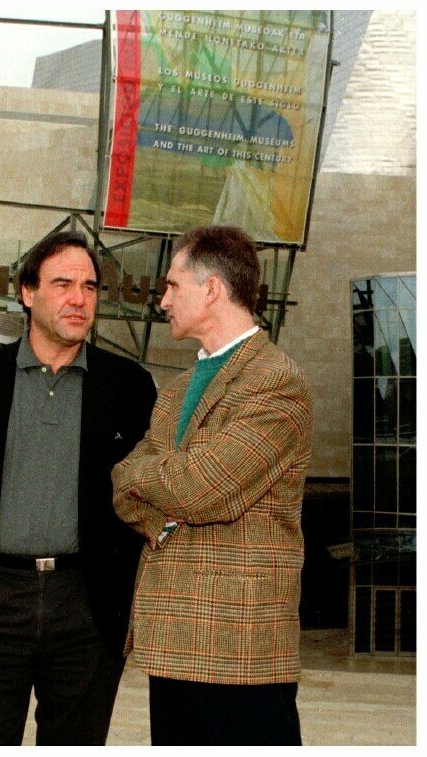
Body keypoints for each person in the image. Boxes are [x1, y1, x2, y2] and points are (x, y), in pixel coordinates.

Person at [0, 230, 157, 745]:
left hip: (86, 608)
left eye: (90, 287)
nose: (79, 299)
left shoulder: (128, 388)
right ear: (27, 293)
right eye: (63, 284)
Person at [111, 226, 313, 746]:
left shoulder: (276, 379)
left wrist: (157, 482)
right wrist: (161, 488)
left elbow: (204, 488)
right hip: (171, 643)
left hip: (239, 651)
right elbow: (121, 485)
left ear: (212, 290)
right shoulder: (175, 391)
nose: (163, 300)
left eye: (174, 286)